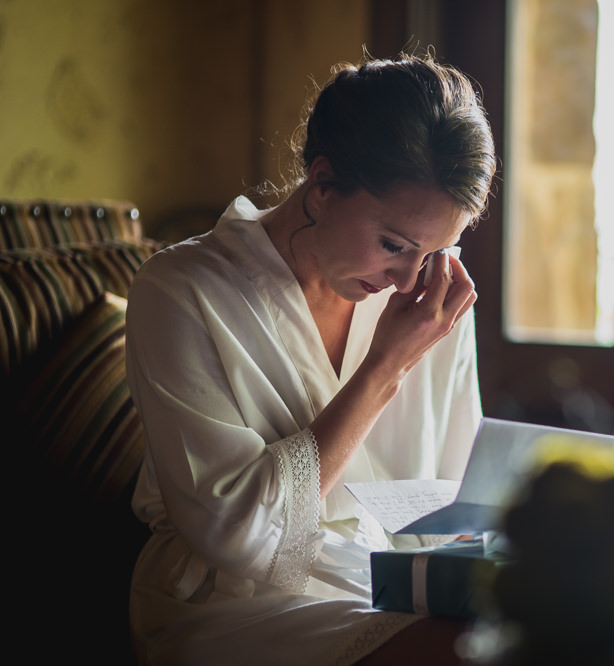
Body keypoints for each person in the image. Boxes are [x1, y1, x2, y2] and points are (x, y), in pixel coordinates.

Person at [124, 53, 497, 666]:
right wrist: (384, 368)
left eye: (437, 249)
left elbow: (453, 502)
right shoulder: (181, 291)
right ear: (322, 188)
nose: (409, 281)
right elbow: (237, 535)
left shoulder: (435, 296)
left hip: (394, 581)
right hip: (236, 601)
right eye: (393, 245)